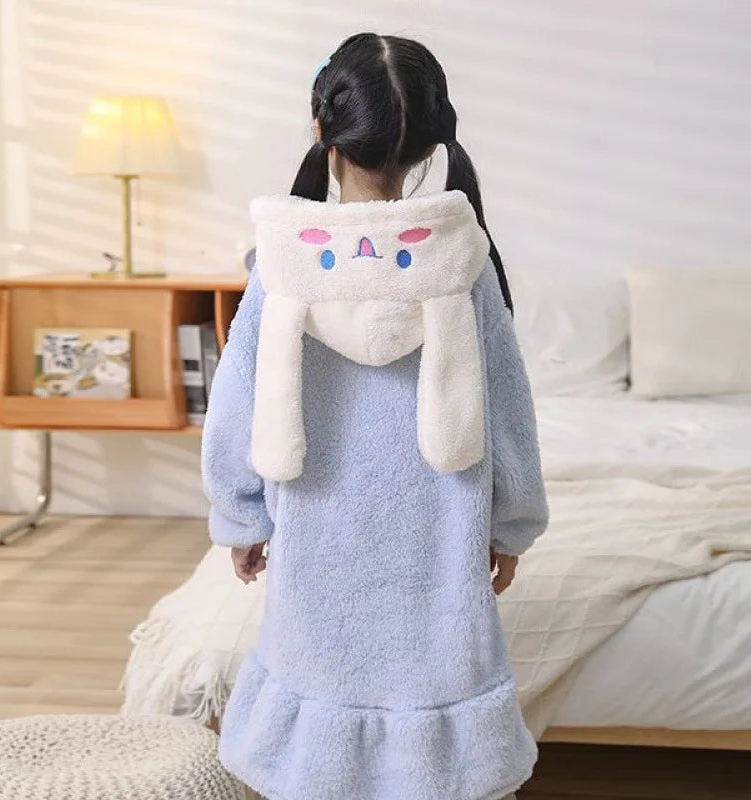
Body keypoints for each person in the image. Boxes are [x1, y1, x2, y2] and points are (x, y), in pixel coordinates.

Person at [201, 32, 548, 800]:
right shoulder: (461, 259)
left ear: (322, 126)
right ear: (431, 139)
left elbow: (236, 401)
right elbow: (508, 410)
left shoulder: (283, 259)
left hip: (316, 531)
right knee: (435, 671)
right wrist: (510, 525)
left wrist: (241, 515)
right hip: (438, 530)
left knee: (316, 668)